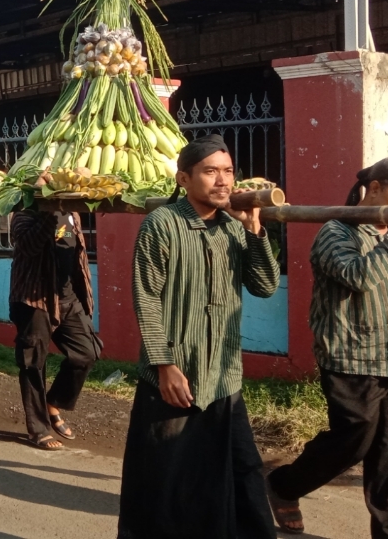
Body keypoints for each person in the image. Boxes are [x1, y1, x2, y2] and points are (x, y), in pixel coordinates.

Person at [267, 158, 388, 538]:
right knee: (353, 442)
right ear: (375, 188)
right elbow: (357, 278)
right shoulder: (336, 234)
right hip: (353, 361)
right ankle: (285, 486)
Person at [117, 135, 281, 539]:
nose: (222, 180)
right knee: (164, 483)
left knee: (243, 477)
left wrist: (256, 232)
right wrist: (165, 365)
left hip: (223, 377)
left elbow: (265, 286)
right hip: (174, 378)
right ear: (184, 178)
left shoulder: (233, 228)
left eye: (227, 171)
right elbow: (147, 299)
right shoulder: (162, 225)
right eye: (211, 171)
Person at [8, 206, 101, 450]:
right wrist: (49, 213)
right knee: (33, 363)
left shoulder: (72, 213)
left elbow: (71, 251)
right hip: (35, 298)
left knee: (86, 353)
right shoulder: (24, 214)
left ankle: (53, 402)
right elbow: (28, 246)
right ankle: (38, 429)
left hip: (68, 297)